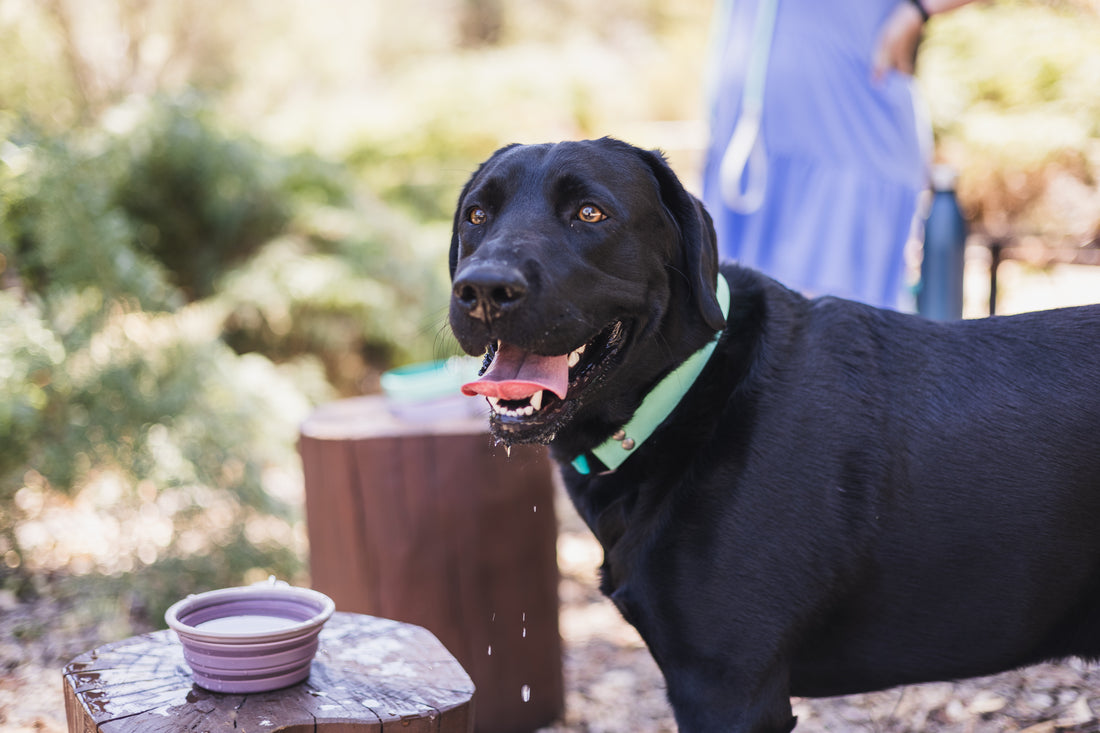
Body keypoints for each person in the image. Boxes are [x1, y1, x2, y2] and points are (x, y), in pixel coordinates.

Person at [702, 0, 974, 309]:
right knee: (739, 315)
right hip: (747, 140)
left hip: (849, 123)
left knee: (834, 327)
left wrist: (917, 10)